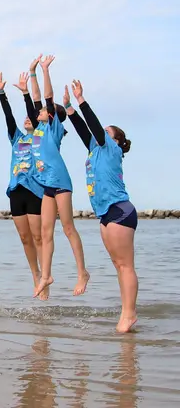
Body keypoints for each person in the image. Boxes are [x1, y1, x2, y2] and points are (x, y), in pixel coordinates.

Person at [64, 80, 138, 333]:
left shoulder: (112, 150)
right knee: (118, 265)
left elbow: (93, 127)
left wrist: (81, 100)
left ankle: (129, 314)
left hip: (120, 210)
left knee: (125, 264)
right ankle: (126, 310)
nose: (101, 136)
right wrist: (69, 108)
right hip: (106, 214)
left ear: (115, 140)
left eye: (107, 133)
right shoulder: (96, 150)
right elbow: (85, 131)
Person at [24, 55, 89, 299]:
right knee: (45, 231)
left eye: (42, 111)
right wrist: (31, 73)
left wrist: (44, 70)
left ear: (51, 115)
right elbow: (36, 98)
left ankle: (82, 272)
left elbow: (46, 98)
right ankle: (46, 276)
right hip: (47, 186)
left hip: (60, 183)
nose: (38, 112)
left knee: (68, 227)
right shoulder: (38, 129)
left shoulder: (53, 127)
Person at [0, 71, 47, 300]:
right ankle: (35, 274)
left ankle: (46, 276)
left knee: (38, 237)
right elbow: (8, 117)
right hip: (16, 191)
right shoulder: (16, 138)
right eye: (25, 119)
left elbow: (36, 111)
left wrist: (25, 92)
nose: (26, 120)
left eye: (30, 118)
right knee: (25, 238)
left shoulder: (42, 135)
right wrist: (1, 92)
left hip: (35, 189)